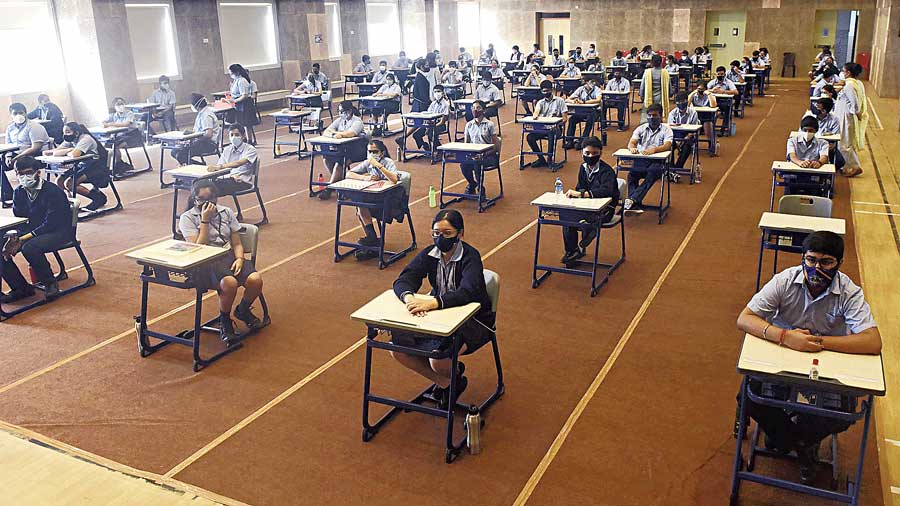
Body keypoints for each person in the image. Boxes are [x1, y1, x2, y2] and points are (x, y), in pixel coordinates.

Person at [736, 231, 880, 483]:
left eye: (826, 262)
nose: (816, 268)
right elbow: (745, 318)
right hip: (782, 357)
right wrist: (785, 336)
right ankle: (802, 444)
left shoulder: (849, 292)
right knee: (750, 394)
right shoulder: (784, 281)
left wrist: (818, 342)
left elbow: (872, 341)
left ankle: (789, 438)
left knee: (844, 411)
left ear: (838, 264)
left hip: (826, 365)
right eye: (811, 260)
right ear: (803, 258)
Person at [390, 209, 495, 409]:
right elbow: (404, 279)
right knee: (397, 348)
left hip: (474, 321)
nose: (441, 238)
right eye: (436, 233)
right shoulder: (429, 254)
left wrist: (433, 302)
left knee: (438, 360)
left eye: (447, 234)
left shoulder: (471, 257)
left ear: (460, 233)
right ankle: (448, 382)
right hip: (438, 318)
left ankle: (449, 374)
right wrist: (409, 297)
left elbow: (469, 292)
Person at [179, 180, 265, 343]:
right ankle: (224, 319)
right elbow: (198, 246)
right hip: (205, 260)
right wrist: (205, 220)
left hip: (228, 256)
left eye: (211, 198)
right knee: (229, 283)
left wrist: (240, 259)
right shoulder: (187, 218)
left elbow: (237, 242)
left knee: (255, 280)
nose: (207, 203)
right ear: (195, 199)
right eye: (202, 199)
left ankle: (243, 310)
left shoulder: (226, 212)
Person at [1, 156, 74, 302]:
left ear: (38, 172)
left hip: (59, 231)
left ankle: (50, 283)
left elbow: (52, 223)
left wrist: (22, 238)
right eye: (20, 174)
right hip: (33, 231)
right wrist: (13, 238)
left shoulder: (52, 191)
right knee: (1, 244)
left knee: (30, 247)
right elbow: (20, 220)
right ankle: (21, 288)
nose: (24, 177)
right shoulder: (19, 192)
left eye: (28, 172)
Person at [559, 136, 618, 267]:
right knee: (568, 218)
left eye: (594, 153)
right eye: (587, 153)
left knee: (590, 220)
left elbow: (606, 192)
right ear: (582, 153)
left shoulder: (607, 171)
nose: (590, 156)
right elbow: (580, 186)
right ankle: (572, 252)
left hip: (606, 209)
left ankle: (590, 229)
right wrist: (576, 195)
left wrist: (582, 194)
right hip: (587, 206)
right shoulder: (583, 168)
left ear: (600, 153)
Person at [345, 140, 401, 261]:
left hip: (389, 200)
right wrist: (366, 178)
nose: (371, 154)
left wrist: (379, 166)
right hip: (374, 197)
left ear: (382, 153)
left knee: (361, 205)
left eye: (375, 152)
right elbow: (349, 174)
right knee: (359, 203)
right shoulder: (367, 162)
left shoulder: (388, 162)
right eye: (369, 152)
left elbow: (394, 179)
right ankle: (372, 239)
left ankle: (372, 239)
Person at [43, 122, 110, 210]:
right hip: (82, 165)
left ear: (76, 133)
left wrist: (69, 151)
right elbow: (52, 152)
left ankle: (98, 198)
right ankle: (63, 204)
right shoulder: (70, 140)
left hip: (96, 167)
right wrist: (70, 149)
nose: (65, 135)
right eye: (64, 132)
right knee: (59, 180)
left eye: (67, 132)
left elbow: (75, 154)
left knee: (70, 183)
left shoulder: (86, 139)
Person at [623, 103, 672, 213]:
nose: (651, 118)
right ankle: (634, 204)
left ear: (661, 116)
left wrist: (654, 150)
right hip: (642, 160)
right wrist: (632, 148)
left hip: (659, 162)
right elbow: (632, 142)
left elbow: (668, 145)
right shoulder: (641, 128)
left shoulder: (666, 129)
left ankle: (632, 200)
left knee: (652, 172)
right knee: (631, 175)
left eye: (654, 115)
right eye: (649, 115)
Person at [3, 103, 50, 206]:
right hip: (17, 155)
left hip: (35, 155)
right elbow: (8, 146)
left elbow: (36, 147)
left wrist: (17, 158)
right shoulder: (10, 128)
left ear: (25, 113)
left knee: (22, 163)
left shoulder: (34, 126)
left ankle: (32, 194)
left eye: (21, 113)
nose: (19, 115)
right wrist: (8, 156)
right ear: (11, 114)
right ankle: (7, 194)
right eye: (15, 113)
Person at [318, 101, 366, 200]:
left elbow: (351, 133)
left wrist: (341, 134)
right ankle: (338, 183)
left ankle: (329, 188)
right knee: (327, 159)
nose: (340, 114)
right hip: (344, 149)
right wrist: (333, 134)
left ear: (349, 111)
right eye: (339, 112)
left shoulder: (357, 121)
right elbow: (326, 131)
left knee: (340, 163)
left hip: (358, 150)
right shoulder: (339, 120)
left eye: (342, 111)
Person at [461, 100, 501, 195]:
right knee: (464, 165)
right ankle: (472, 183)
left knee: (477, 163)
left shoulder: (489, 124)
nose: (475, 110)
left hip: (489, 155)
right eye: (473, 108)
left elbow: (495, 146)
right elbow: (466, 143)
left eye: (478, 108)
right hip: (474, 154)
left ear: (483, 110)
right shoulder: (469, 125)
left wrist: (484, 154)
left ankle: (480, 188)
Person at [524, 80, 567, 169]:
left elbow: (565, 118)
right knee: (529, 137)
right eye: (543, 91)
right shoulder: (540, 102)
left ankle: (550, 160)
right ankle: (541, 159)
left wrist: (558, 123)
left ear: (551, 90)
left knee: (551, 133)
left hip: (556, 128)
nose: (545, 93)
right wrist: (535, 116)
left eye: (547, 91)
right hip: (542, 128)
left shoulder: (560, 101)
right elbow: (536, 112)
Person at [834, 62, 867, 177]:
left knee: (844, 143)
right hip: (844, 115)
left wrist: (857, 114)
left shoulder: (849, 86)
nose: (842, 73)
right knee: (844, 142)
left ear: (848, 73)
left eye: (843, 71)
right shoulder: (857, 83)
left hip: (845, 117)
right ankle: (845, 165)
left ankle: (854, 166)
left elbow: (854, 104)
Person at [171, 93, 220, 166]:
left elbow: (208, 134)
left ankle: (198, 167)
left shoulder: (206, 115)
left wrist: (195, 136)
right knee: (174, 151)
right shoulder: (201, 113)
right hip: (200, 141)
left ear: (196, 105)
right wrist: (190, 133)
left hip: (208, 144)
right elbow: (199, 130)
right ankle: (197, 165)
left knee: (180, 154)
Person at [208, 126, 258, 195]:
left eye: (237, 135)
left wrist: (220, 167)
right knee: (205, 186)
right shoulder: (227, 150)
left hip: (242, 182)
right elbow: (219, 169)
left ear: (243, 136)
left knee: (211, 189)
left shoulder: (250, 149)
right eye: (231, 135)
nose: (234, 137)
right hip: (229, 179)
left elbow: (238, 163)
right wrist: (230, 176)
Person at [408, 84, 450, 152]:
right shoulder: (433, 103)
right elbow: (428, 115)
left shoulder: (446, 104)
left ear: (443, 92)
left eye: (438, 91)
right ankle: (425, 146)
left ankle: (440, 151)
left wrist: (431, 127)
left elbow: (442, 121)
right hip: (430, 124)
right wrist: (427, 125)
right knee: (416, 135)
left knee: (431, 134)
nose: (437, 93)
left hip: (440, 125)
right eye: (435, 92)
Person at [668, 92, 701, 175]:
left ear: (686, 101)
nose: (681, 104)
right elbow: (670, 130)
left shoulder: (693, 113)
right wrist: (676, 140)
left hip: (688, 136)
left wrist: (685, 139)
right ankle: (671, 168)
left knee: (687, 147)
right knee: (669, 146)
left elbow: (693, 130)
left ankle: (677, 168)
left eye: (683, 101)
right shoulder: (672, 113)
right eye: (678, 102)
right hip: (674, 136)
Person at [564, 77, 602, 149]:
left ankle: (583, 140)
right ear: (586, 83)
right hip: (582, 111)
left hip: (594, 111)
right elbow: (568, 99)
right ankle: (570, 140)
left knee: (590, 119)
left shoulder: (597, 89)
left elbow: (598, 99)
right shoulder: (580, 89)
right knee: (572, 119)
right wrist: (573, 101)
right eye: (590, 82)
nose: (592, 84)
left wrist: (584, 102)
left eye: (593, 82)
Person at [227, 64, 259, 145]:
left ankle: (249, 141)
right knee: (241, 123)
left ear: (236, 72)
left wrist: (234, 101)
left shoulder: (242, 81)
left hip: (245, 104)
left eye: (231, 73)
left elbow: (244, 95)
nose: (231, 75)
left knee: (247, 123)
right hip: (239, 104)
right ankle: (243, 139)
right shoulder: (236, 80)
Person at [638, 54, 670, 124]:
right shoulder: (665, 72)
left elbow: (642, 86)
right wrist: (669, 94)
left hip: (649, 97)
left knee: (648, 115)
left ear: (651, 62)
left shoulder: (647, 72)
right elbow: (669, 87)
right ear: (661, 62)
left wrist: (642, 95)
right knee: (660, 115)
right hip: (661, 99)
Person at [688, 81, 717, 156]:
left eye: (702, 89)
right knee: (690, 131)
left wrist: (709, 94)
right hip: (696, 116)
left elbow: (713, 105)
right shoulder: (694, 95)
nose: (700, 91)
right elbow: (687, 104)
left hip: (707, 116)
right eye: (699, 89)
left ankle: (711, 144)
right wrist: (693, 93)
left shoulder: (710, 95)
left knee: (708, 130)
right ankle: (689, 145)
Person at [604, 67, 630, 132]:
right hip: (611, 99)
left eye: (618, 73)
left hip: (622, 100)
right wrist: (608, 98)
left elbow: (627, 93)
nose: (617, 74)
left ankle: (620, 125)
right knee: (603, 104)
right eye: (616, 73)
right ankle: (604, 124)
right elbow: (607, 91)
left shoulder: (626, 82)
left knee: (621, 105)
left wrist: (620, 97)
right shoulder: (611, 82)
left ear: (622, 74)